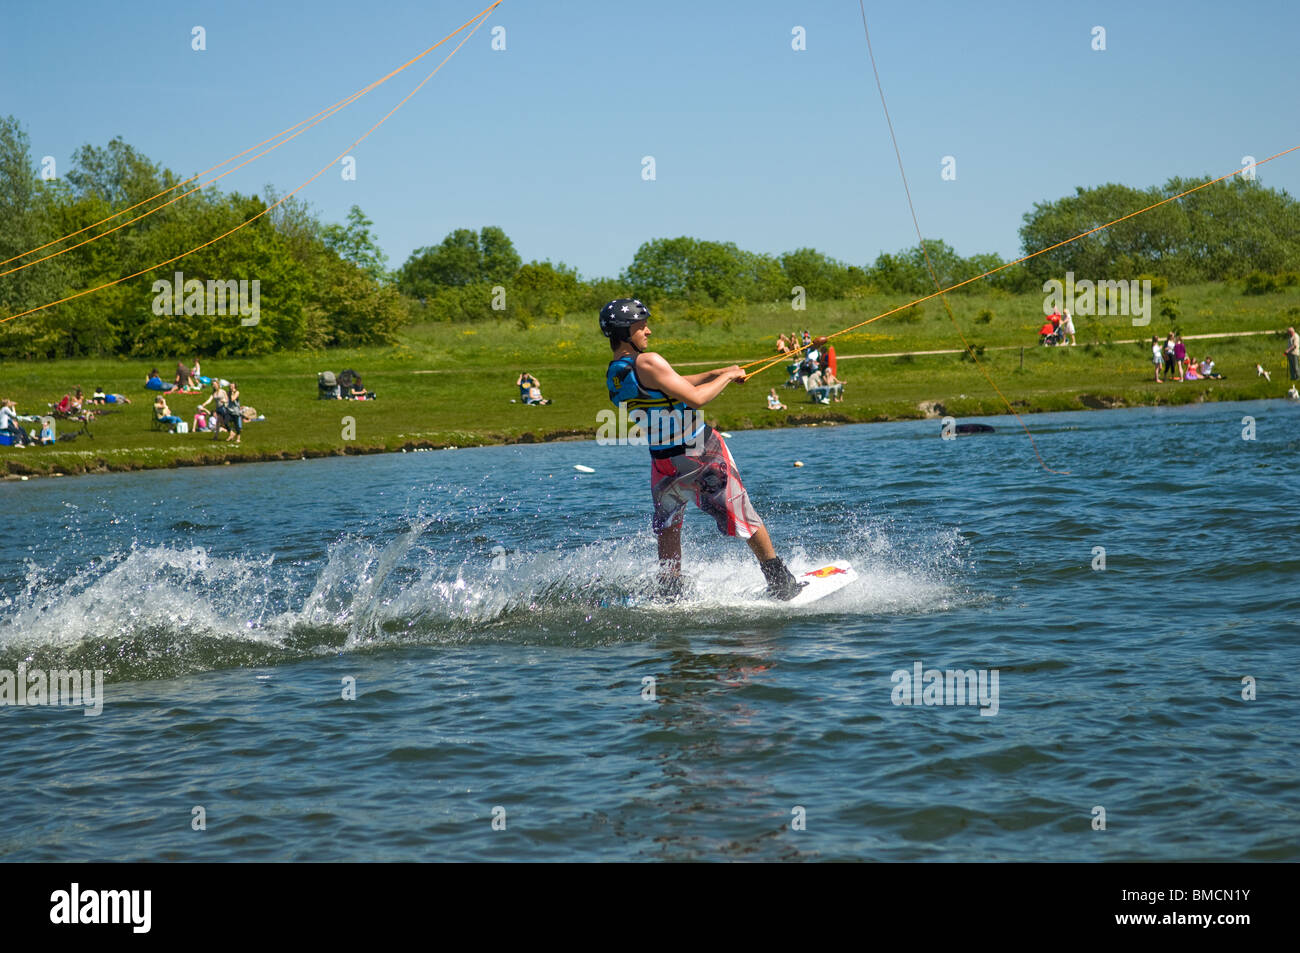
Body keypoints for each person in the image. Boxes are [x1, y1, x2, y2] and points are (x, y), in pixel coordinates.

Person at [601, 297, 805, 601]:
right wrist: (728, 376)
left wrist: (715, 373)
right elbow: (695, 399)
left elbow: (673, 384)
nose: (648, 331)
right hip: (699, 452)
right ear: (625, 330)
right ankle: (780, 581)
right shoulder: (649, 360)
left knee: (668, 528)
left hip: (662, 462)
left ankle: (670, 591)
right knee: (742, 513)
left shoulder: (617, 371)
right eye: (641, 325)